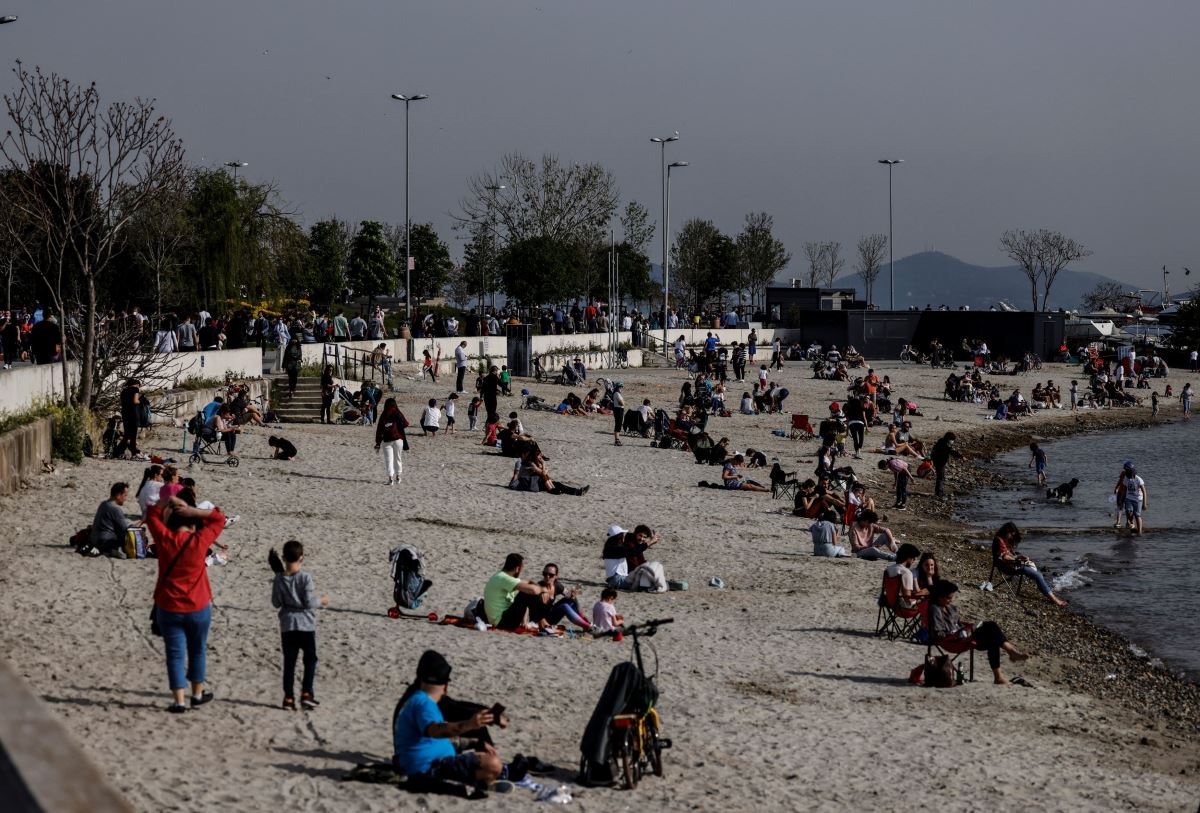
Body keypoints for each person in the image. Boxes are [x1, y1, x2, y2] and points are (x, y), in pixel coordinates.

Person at [144, 489, 227, 713]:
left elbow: (151, 514)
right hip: (198, 605)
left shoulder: (164, 539)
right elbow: (219, 518)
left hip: (169, 607)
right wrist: (193, 510)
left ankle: (179, 701)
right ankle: (197, 695)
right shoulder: (199, 541)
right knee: (198, 650)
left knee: (175, 653)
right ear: (191, 525)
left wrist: (165, 502)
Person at [391, 651, 503, 788]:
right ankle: (484, 781)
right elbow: (434, 731)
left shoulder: (417, 698)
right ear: (446, 686)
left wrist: (475, 743)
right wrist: (469, 724)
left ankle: (484, 779)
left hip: (425, 761)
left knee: (483, 750)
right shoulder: (424, 703)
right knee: (493, 764)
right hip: (428, 767)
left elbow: (432, 738)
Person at [929, 581, 1030, 685]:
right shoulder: (935, 610)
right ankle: (1010, 655)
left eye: (952, 597)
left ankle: (1000, 674)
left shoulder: (950, 608)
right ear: (939, 597)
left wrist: (967, 629)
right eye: (948, 598)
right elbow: (938, 633)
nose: (951, 600)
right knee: (991, 627)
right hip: (953, 641)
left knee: (992, 635)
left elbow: (958, 624)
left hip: (963, 636)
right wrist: (959, 633)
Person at [272, 540, 328, 710]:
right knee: (310, 659)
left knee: (290, 662)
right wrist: (322, 600)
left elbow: (276, 603)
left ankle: (288, 698)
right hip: (305, 625)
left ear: (283, 558)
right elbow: (309, 602)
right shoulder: (305, 578)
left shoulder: (279, 579)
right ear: (301, 558)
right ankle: (306, 693)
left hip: (288, 625)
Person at [992, 522, 1069, 606]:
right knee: (1038, 575)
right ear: (1007, 531)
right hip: (1006, 567)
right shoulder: (999, 540)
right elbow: (1004, 557)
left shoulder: (1003, 540)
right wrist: (1017, 559)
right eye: (1011, 534)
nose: (1011, 537)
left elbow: (1009, 555)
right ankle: (1055, 600)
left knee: (1038, 573)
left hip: (1011, 564)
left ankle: (1049, 592)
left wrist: (1019, 557)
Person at [482, 553, 550, 630]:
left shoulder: (500, 576)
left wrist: (539, 588)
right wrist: (543, 589)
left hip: (502, 619)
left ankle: (538, 621)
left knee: (528, 590)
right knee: (527, 593)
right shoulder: (504, 578)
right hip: (502, 622)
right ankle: (542, 622)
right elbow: (533, 590)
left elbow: (528, 582)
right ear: (517, 568)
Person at [85, 482, 133, 558]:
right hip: (106, 541)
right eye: (125, 495)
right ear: (118, 495)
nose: (125, 499)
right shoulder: (115, 509)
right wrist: (141, 522)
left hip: (94, 540)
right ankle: (113, 551)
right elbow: (125, 530)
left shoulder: (103, 504)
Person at [375, 397, 409, 485]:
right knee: (398, 458)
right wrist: (398, 427)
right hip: (398, 439)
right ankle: (398, 477)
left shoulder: (384, 413)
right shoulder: (397, 412)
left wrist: (377, 442)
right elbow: (406, 424)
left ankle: (390, 479)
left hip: (387, 440)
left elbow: (379, 429)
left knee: (388, 460)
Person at [884, 543, 927, 609]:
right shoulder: (906, 573)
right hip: (903, 608)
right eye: (913, 558)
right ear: (908, 557)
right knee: (927, 599)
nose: (913, 561)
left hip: (889, 603)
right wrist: (921, 594)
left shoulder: (888, 569)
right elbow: (907, 598)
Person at [112, 379, 147, 460]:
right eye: (139, 385)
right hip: (133, 414)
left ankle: (119, 451)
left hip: (125, 414)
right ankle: (133, 454)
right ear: (136, 384)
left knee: (127, 435)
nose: (139, 387)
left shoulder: (123, 391)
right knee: (133, 435)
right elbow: (135, 401)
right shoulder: (135, 389)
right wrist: (141, 401)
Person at [929, 432, 962, 499]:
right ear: (948, 439)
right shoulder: (945, 445)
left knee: (940, 477)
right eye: (952, 439)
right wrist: (961, 456)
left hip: (937, 461)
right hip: (940, 462)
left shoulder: (941, 441)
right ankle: (939, 493)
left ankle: (939, 492)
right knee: (941, 478)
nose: (952, 441)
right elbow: (951, 451)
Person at [1121, 465, 1148, 536]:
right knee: (1128, 511)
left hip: (1138, 499)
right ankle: (1131, 522)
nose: (1128, 477)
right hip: (1129, 498)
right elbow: (1124, 490)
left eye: (1129, 475)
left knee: (1137, 515)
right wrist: (1121, 500)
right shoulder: (1126, 478)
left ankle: (1139, 532)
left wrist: (1144, 504)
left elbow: (1144, 491)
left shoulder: (1139, 479)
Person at [611, 381, 626, 446]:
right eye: (621, 387)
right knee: (618, 424)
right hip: (618, 409)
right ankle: (617, 440)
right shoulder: (617, 394)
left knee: (618, 424)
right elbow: (622, 403)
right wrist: (623, 401)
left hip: (618, 409)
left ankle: (617, 439)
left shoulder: (616, 393)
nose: (621, 388)